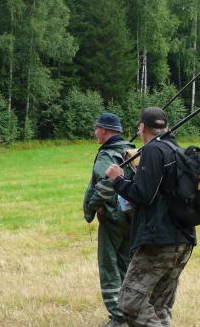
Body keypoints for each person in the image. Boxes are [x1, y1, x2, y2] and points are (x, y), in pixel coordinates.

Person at [105, 107, 196, 327]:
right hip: (183, 239)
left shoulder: (153, 150)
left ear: (142, 127)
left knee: (130, 303)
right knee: (159, 305)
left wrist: (118, 180)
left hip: (158, 240)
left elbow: (143, 194)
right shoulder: (178, 150)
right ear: (166, 127)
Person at [83, 112, 134, 327]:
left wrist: (91, 209)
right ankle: (130, 312)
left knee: (108, 268)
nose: (95, 133)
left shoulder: (107, 155)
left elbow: (104, 185)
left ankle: (118, 317)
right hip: (132, 217)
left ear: (104, 130)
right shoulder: (131, 151)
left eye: (97, 129)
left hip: (112, 218)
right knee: (126, 266)